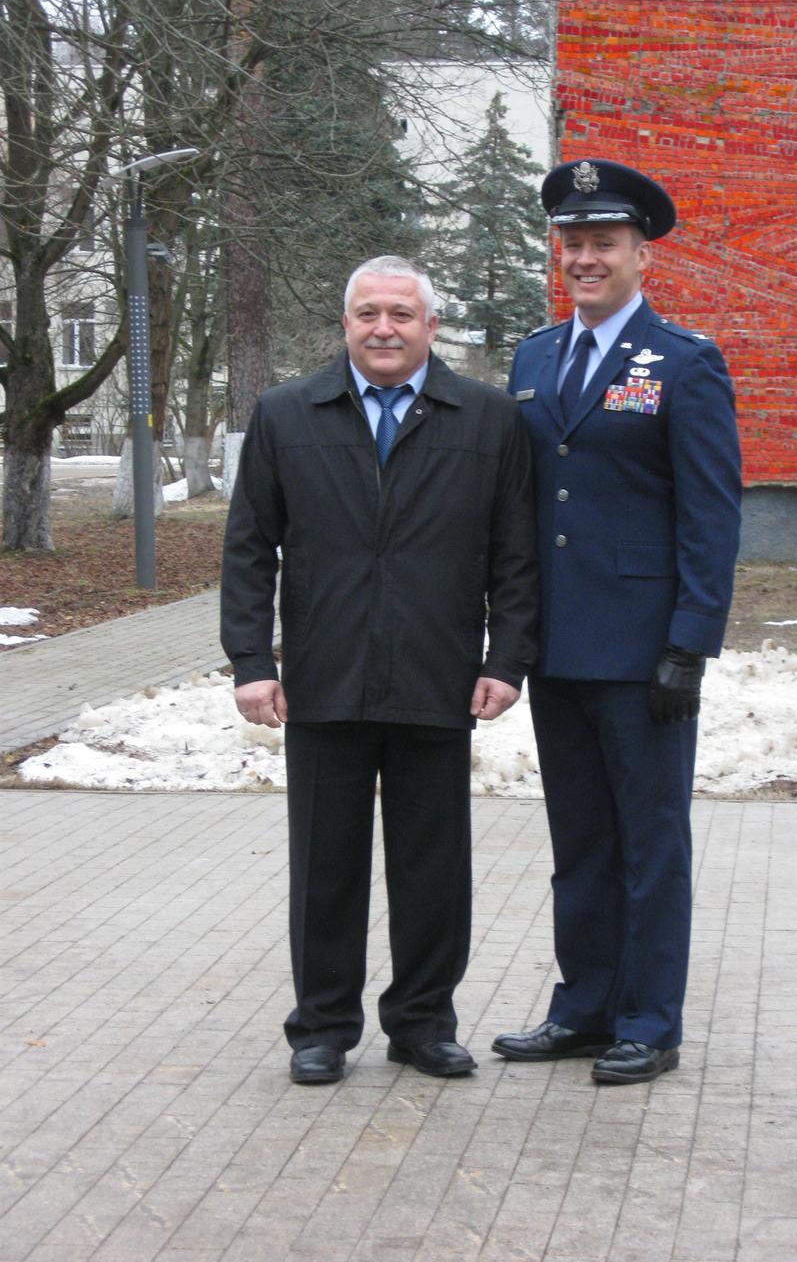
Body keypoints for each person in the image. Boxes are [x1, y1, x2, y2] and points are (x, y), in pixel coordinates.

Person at [221, 255, 538, 1084]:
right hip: (323, 678)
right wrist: (251, 661)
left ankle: (423, 1022)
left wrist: (508, 658)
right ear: (346, 325)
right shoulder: (288, 414)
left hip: (439, 675)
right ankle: (322, 1026)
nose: (385, 328)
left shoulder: (487, 417)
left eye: (402, 313)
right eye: (368, 313)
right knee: (326, 865)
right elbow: (250, 549)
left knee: (433, 865)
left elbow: (516, 553)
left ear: (432, 325)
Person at [492, 159, 741, 1085]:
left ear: (642, 253)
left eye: (603, 243)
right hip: (559, 646)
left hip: (643, 654)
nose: (585, 259)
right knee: (581, 843)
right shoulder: (534, 358)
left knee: (649, 841)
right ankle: (584, 1008)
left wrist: (690, 644)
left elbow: (712, 516)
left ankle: (648, 1019)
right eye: (573, 244)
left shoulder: (684, 362)